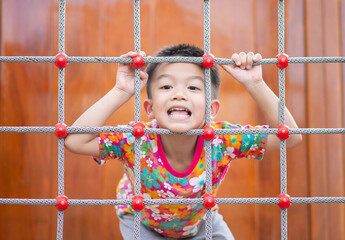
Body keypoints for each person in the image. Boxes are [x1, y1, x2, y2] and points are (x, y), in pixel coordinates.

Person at [64, 44, 302, 239]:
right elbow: (75, 141)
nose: (179, 94)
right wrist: (121, 90)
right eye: (166, 86)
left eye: (193, 87)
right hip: (142, 222)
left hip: (199, 223)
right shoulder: (135, 139)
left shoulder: (221, 140)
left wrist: (255, 84)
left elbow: (290, 136)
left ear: (212, 110)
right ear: (150, 109)